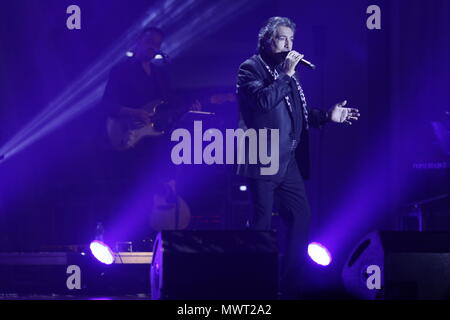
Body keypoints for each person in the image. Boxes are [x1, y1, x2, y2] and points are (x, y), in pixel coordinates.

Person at [236, 17, 360, 298]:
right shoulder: (250, 68)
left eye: (291, 39)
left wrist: (327, 116)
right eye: (283, 39)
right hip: (263, 155)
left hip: (289, 159)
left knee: (301, 216)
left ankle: (288, 284)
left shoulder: (287, 72)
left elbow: (299, 115)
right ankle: (252, 282)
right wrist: (286, 75)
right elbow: (261, 104)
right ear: (268, 41)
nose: (289, 45)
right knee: (261, 221)